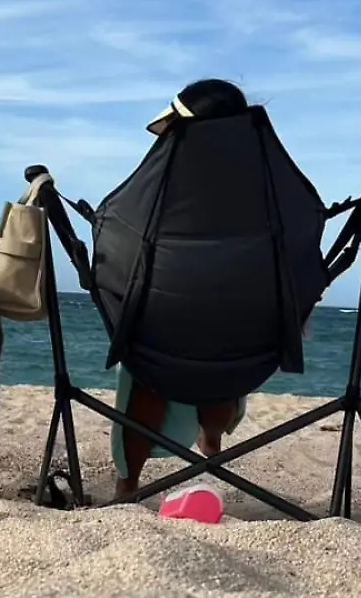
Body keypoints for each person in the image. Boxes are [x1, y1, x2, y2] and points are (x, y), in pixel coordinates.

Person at [113, 78, 251, 498]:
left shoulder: (161, 191)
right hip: (244, 341)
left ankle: (127, 485)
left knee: (147, 366)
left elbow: (119, 245)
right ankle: (211, 446)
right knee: (213, 348)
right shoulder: (263, 191)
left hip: (163, 337)